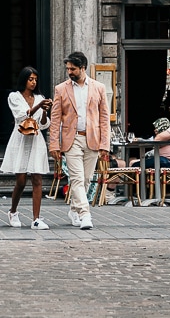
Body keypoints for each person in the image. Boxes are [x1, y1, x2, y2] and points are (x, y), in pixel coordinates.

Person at [48, 51, 110, 230]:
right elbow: (55, 119)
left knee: (86, 179)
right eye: (67, 68)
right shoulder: (61, 89)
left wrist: (105, 144)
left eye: (73, 68)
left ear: (83, 68)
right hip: (71, 139)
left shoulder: (98, 87)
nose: (69, 72)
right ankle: (85, 214)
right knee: (76, 178)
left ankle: (74, 209)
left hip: (92, 139)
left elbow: (104, 118)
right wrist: (54, 144)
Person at [0, 67, 53, 230]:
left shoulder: (39, 97)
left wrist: (44, 111)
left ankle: (36, 218)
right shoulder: (14, 97)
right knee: (21, 181)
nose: (33, 82)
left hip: (36, 139)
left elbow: (44, 125)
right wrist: (38, 106)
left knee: (37, 179)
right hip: (20, 139)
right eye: (30, 79)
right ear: (24, 80)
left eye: (35, 79)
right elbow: (21, 116)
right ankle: (13, 211)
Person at [129, 103, 170, 169]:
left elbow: (158, 139)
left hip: (166, 161)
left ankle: (140, 179)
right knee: (136, 162)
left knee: (134, 165)